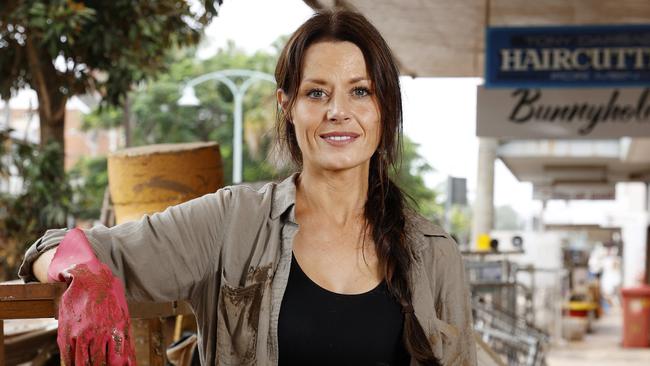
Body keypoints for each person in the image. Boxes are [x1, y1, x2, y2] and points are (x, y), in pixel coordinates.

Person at [20, 9, 476, 366]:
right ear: (288, 106)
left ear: (384, 107)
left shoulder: (433, 253)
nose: (338, 111)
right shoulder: (231, 223)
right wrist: (83, 275)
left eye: (360, 91)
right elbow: (61, 247)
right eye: (316, 93)